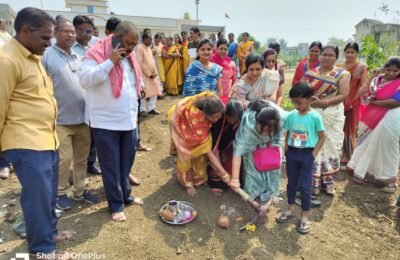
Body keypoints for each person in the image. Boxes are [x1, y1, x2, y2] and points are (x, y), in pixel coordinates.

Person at [0, 7, 72, 258]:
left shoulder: (33, 56)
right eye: (44, 37)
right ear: (23, 31)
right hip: (27, 143)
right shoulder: (6, 61)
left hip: (46, 139)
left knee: (48, 196)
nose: (49, 43)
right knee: (37, 199)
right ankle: (43, 250)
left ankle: (48, 235)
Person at [79, 21, 144, 222]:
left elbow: (130, 82)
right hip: (105, 122)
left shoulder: (130, 56)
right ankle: (115, 205)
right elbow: (85, 80)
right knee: (110, 166)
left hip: (128, 120)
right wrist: (110, 61)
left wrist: (137, 89)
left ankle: (126, 195)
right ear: (116, 35)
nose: (132, 48)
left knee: (126, 163)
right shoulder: (96, 52)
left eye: (135, 44)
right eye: (129, 43)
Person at [42, 18, 100, 210]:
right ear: (55, 33)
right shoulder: (47, 56)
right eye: (65, 31)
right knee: (64, 159)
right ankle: (60, 192)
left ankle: (79, 191)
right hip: (60, 121)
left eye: (72, 32)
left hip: (82, 119)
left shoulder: (78, 56)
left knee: (81, 159)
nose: (70, 35)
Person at [277, 82, 325, 235]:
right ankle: (290, 209)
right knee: (291, 183)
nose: (296, 105)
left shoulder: (315, 117)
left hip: (306, 155)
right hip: (292, 154)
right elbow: (288, 134)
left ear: (310, 100)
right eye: (293, 102)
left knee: (305, 186)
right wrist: (286, 151)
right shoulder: (291, 116)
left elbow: (322, 137)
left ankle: (304, 216)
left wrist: (313, 154)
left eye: (299, 102)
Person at [346, 56, 400, 193]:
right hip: (372, 115)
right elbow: (362, 93)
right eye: (388, 70)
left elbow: (394, 103)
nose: (391, 73)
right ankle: (359, 169)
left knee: (387, 147)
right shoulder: (377, 80)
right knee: (365, 142)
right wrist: (371, 77)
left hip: (390, 117)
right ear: (384, 68)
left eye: (395, 71)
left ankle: (388, 180)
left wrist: (372, 102)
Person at [304, 44, 350, 196]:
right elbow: (304, 92)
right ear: (320, 55)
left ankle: (328, 181)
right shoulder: (311, 73)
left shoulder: (342, 74)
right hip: (313, 114)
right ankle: (312, 182)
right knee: (312, 144)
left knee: (331, 146)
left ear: (336, 57)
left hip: (332, 114)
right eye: (324, 54)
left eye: (331, 55)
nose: (326, 57)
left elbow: (343, 95)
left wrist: (323, 103)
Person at [168, 92, 229, 196]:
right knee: (185, 156)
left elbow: (205, 149)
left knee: (200, 157)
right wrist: (224, 174)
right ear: (205, 114)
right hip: (182, 126)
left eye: (218, 118)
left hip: (195, 128)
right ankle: (188, 184)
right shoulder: (196, 121)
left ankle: (198, 179)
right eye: (213, 118)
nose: (216, 121)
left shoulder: (211, 101)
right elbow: (208, 151)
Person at [230, 100, 286, 204]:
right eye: (263, 130)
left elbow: (279, 141)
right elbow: (238, 152)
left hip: (272, 140)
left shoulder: (280, 119)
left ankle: (272, 191)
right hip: (251, 141)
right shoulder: (248, 125)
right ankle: (252, 192)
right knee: (252, 164)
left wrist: (277, 153)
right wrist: (235, 179)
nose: (265, 133)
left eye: (268, 131)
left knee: (273, 163)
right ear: (257, 122)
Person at [336, 42, 368, 164]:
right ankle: (341, 152)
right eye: (347, 52)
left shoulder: (362, 67)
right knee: (339, 127)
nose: (350, 55)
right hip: (339, 101)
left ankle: (349, 155)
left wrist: (351, 101)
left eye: (352, 52)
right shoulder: (339, 66)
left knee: (350, 128)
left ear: (357, 53)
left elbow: (363, 86)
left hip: (353, 102)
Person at [208, 98, 243, 195]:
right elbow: (214, 146)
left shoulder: (239, 121)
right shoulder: (218, 119)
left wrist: (223, 151)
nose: (232, 122)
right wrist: (220, 170)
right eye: (229, 119)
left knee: (230, 165)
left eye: (234, 120)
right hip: (212, 144)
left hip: (227, 145)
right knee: (215, 167)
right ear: (225, 114)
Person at [136, 33, 161, 115]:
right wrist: (149, 74)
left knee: (155, 90)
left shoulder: (149, 49)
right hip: (144, 75)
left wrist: (154, 73)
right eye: (149, 39)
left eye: (151, 39)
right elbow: (140, 63)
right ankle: (142, 109)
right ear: (144, 39)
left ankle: (151, 108)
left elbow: (152, 62)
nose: (151, 41)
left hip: (153, 75)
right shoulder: (139, 48)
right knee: (144, 91)